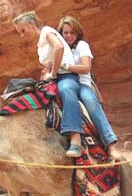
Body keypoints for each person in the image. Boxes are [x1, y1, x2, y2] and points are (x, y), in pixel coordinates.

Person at [13, 11, 83, 157]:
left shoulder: (46, 32)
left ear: (31, 24)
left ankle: (76, 139)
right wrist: (48, 71)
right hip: (53, 77)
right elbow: (51, 59)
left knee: (66, 90)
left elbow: (59, 47)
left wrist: (53, 73)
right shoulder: (39, 44)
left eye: (23, 30)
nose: (22, 35)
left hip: (66, 76)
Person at [56, 16, 120, 160]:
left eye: (72, 33)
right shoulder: (59, 47)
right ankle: (75, 139)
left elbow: (85, 68)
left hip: (83, 83)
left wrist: (65, 66)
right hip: (67, 81)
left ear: (77, 33)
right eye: (65, 33)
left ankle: (110, 144)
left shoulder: (82, 46)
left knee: (91, 101)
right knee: (66, 89)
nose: (69, 36)